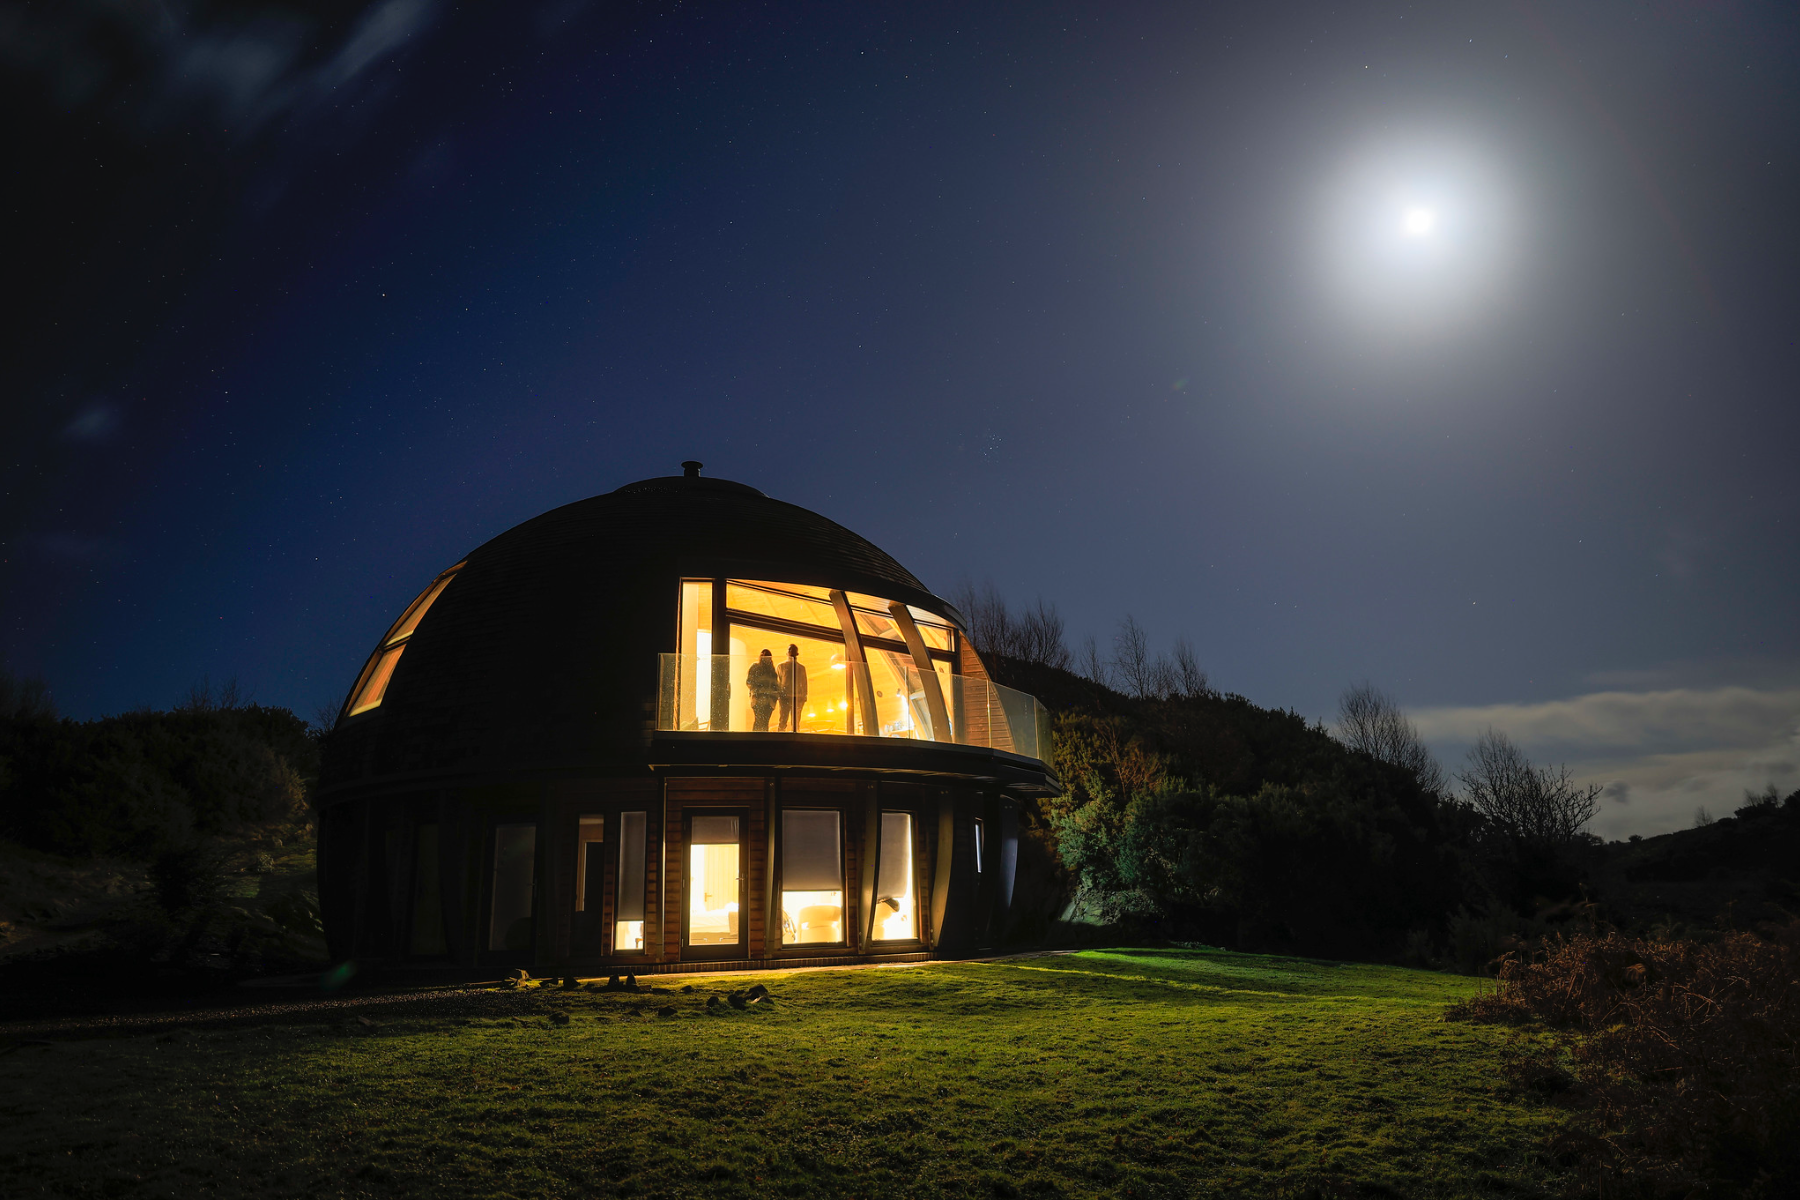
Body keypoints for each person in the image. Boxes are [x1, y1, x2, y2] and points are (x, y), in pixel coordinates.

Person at [776, 643, 809, 732]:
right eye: (790, 649)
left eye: (793, 650)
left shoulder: (801, 668)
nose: (791, 651)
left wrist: (804, 696)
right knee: (783, 721)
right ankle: (780, 739)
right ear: (786, 653)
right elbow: (778, 682)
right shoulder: (781, 666)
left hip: (797, 698)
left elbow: (804, 683)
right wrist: (779, 696)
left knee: (796, 723)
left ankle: (794, 739)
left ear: (797, 653)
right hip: (785, 698)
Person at [746, 649, 779, 732]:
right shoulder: (771, 670)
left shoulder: (769, 670)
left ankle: (756, 741)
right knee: (761, 722)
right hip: (762, 699)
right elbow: (749, 682)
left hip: (765, 699)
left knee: (761, 722)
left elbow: (749, 682)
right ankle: (760, 741)